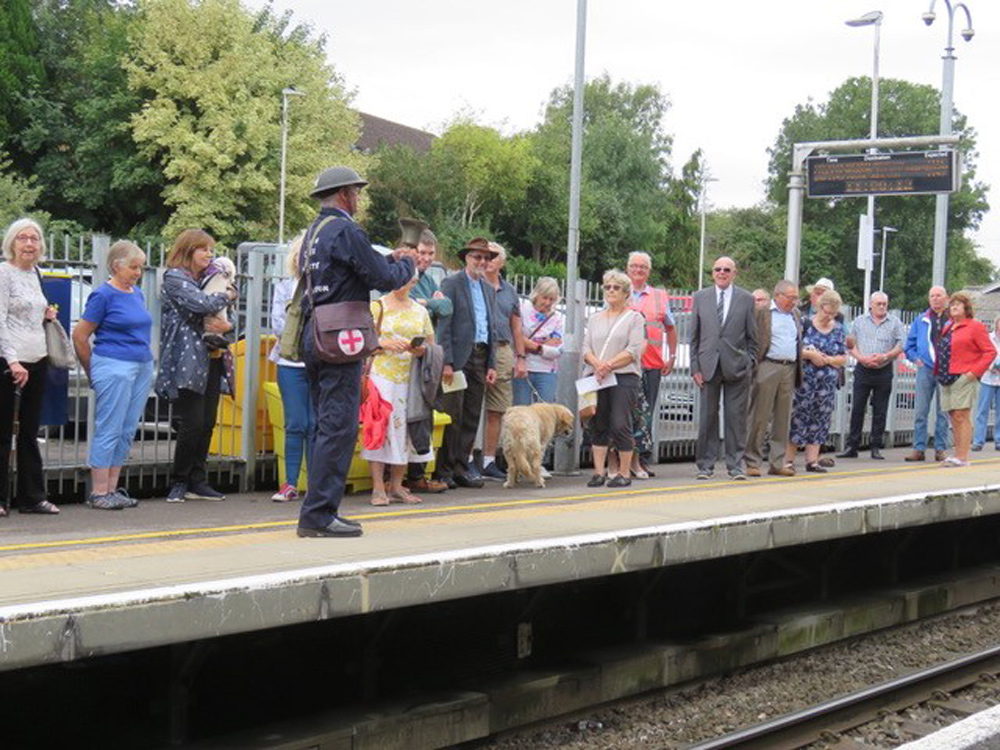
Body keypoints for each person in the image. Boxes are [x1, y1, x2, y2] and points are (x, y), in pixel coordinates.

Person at [297, 166, 416, 538]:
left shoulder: (314, 233)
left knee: (324, 426)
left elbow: (359, 268)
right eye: (358, 193)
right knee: (340, 427)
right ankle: (318, 516)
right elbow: (382, 278)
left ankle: (318, 510)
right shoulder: (347, 229)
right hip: (339, 339)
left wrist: (388, 260)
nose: (359, 200)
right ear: (347, 194)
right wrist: (406, 263)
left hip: (315, 333)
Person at [156, 229, 236, 504]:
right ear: (188, 250)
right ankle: (179, 482)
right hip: (188, 361)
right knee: (192, 423)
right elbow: (201, 304)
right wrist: (228, 294)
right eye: (203, 249)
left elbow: (226, 321)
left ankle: (197, 482)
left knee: (207, 423)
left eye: (211, 250)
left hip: (212, 357)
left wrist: (228, 324)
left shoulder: (206, 280)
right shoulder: (175, 277)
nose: (209, 254)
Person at [72, 240, 153, 510]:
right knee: (109, 427)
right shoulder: (103, 295)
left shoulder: (136, 293)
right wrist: (92, 370)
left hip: (140, 364)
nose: (137, 272)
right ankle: (99, 491)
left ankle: (112, 488)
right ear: (116, 266)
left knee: (127, 429)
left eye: (140, 267)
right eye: (133, 267)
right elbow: (80, 336)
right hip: (113, 363)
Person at [0, 218, 60, 516]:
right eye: (22, 238)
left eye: (34, 238)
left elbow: (30, 312)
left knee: (29, 431)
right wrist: (12, 360)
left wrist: (46, 313)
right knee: (2, 431)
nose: (28, 244)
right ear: (11, 242)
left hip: (37, 359)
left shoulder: (35, 273)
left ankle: (32, 497)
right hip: (9, 362)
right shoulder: (3, 273)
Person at [361, 275, 435, 505]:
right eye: (403, 280)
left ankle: (397, 485)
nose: (405, 286)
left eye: (411, 282)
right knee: (379, 428)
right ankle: (377, 487)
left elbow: (432, 345)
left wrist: (419, 350)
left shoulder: (420, 311)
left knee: (405, 430)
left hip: (410, 378)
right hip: (382, 376)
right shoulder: (377, 306)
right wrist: (383, 344)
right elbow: (364, 339)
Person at [434, 238, 499, 489]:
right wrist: (447, 361)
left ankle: (462, 466)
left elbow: (491, 327)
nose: (482, 262)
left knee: (472, 414)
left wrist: (491, 363)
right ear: (466, 258)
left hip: (480, 355)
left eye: (485, 258)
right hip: (460, 357)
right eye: (477, 257)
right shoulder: (452, 283)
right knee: (453, 413)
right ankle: (444, 470)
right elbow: (444, 325)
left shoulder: (488, 289)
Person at [690, 256, 757, 480]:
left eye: (726, 269)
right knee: (707, 418)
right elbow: (695, 337)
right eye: (718, 269)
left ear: (734, 273)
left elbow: (752, 337)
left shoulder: (746, 299)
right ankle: (705, 466)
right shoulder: (700, 297)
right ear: (712, 273)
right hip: (708, 366)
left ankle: (735, 466)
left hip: (736, 367)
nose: (722, 272)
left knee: (735, 419)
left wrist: (749, 363)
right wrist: (695, 367)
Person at [582, 269, 645, 488]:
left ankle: (624, 472)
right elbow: (586, 347)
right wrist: (597, 364)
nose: (611, 291)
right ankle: (599, 472)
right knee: (598, 424)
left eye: (616, 287)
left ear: (626, 292)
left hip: (624, 376)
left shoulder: (635, 318)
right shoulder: (594, 318)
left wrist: (608, 364)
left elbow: (633, 350)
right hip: (598, 376)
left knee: (620, 423)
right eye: (607, 287)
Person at [403, 228, 451, 494]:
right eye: (422, 252)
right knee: (403, 415)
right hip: (402, 354)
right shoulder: (400, 273)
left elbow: (447, 308)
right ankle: (396, 475)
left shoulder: (431, 281)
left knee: (423, 415)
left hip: (425, 357)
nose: (426, 258)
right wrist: (428, 303)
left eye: (430, 253)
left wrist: (425, 303)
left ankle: (417, 475)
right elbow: (406, 304)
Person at [626, 251, 678, 477]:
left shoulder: (659, 296)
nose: (638, 270)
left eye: (643, 267)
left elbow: (671, 327)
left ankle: (642, 460)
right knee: (624, 414)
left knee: (646, 415)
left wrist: (672, 356)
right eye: (634, 266)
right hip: (625, 365)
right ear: (627, 269)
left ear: (649, 271)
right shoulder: (618, 290)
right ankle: (622, 459)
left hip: (651, 364)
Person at [837, 292, 905, 460]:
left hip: (884, 369)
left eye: (884, 304)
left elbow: (901, 344)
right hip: (863, 369)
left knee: (880, 410)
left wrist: (886, 356)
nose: (882, 306)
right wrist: (861, 358)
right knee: (858, 408)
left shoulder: (895, 322)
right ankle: (852, 446)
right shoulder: (859, 321)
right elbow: (850, 344)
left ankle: (875, 446)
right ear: (870, 304)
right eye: (878, 304)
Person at [269, 235, 312, 503]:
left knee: (318, 424)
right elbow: (277, 325)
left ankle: (318, 484)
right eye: (300, 254)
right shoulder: (284, 288)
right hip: (290, 363)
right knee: (296, 424)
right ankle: (290, 484)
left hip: (319, 363)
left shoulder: (327, 288)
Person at [785, 289, 847, 473]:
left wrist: (827, 360)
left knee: (820, 419)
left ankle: (812, 461)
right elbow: (793, 350)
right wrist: (811, 355)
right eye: (826, 312)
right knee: (797, 417)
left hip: (826, 384)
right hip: (804, 382)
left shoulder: (837, 329)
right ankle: (788, 460)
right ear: (819, 307)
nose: (829, 317)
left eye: (833, 314)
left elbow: (843, 357)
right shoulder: (805, 324)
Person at [745, 280, 801, 477]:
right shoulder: (762, 313)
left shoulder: (795, 315)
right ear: (778, 295)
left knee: (783, 418)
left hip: (789, 368)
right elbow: (751, 338)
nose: (794, 301)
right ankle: (752, 461)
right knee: (759, 416)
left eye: (796, 297)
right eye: (791, 297)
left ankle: (777, 462)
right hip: (767, 365)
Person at [481, 242, 526, 481]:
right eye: (485, 255)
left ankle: (489, 460)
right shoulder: (475, 284)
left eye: (494, 255)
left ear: (503, 261)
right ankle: (465, 460)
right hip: (478, 349)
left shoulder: (509, 291)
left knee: (497, 409)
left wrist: (521, 358)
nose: (488, 259)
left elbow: (516, 327)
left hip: (502, 349)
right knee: (470, 406)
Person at [936, 293, 996, 467]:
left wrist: (973, 372)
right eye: (952, 304)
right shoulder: (948, 327)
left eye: (958, 304)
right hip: (947, 375)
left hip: (963, 375)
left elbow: (990, 352)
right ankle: (957, 454)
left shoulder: (975, 327)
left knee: (962, 415)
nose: (954, 307)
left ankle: (963, 457)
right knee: (953, 415)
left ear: (966, 308)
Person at [904, 286, 951, 462]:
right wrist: (916, 359)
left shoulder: (951, 320)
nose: (935, 299)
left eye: (939, 295)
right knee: (921, 411)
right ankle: (919, 448)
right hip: (925, 369)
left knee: (943, 411)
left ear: (946, 298)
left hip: (946, 370)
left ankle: (940, 448)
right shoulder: (921, 320)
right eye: (932, 296)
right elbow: (909, 345)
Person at [513, 276, 564, 406]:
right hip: (523, 367)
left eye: (551, 299)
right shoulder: (522, 310)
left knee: (545, 413)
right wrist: (542, 345)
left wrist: (530, 344)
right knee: (521, 410)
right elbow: (516, 337)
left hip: (547, 371)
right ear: (536, 295)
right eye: (544, 298)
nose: (547, 303)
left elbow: (557, 350)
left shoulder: (557, 318)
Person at [972, 318, 1000, 452]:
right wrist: (990, 367)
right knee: (982, 411)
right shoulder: (988, 338)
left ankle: (999, 440)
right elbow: (981, 355)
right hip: (987, 378)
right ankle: (978, 441)